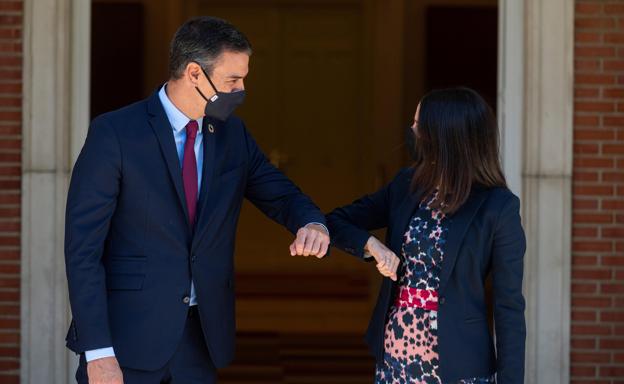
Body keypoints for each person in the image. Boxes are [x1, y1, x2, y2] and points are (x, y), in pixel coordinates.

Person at [64, 16, 330, 384]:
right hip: (126, 343)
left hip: (199, 342)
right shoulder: (115, 134)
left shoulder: (231, 134)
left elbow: (280, 192)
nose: (241, 89)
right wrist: (98, 351)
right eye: (232, 80)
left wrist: (311, 222)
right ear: (193, 73)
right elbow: (83, 250)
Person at [327, 87, 526, 383]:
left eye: (419, 124)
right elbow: (336, 221)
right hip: (396, 356)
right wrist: (370, 245)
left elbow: (508, 307)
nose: (412, 130)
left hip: (459, 364)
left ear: (444, 134)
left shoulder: (498, 207)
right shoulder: (407, 185)